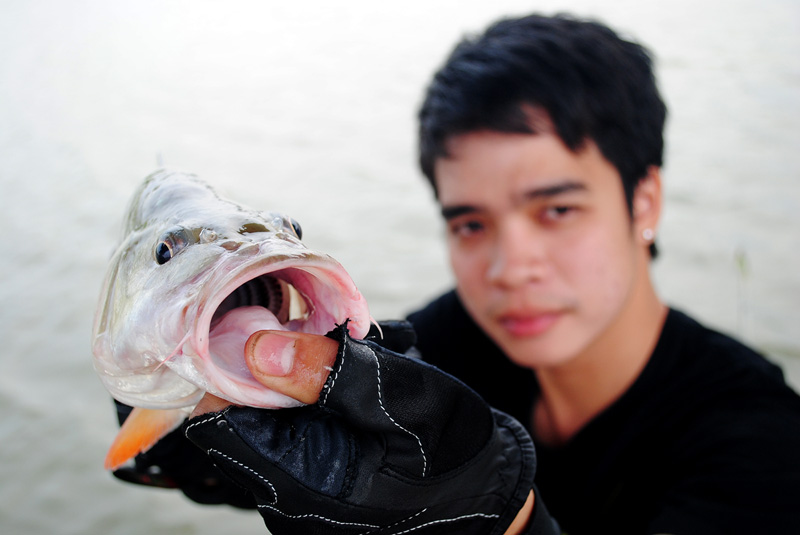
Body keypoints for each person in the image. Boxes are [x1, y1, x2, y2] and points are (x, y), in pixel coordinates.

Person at [114, 13, 800, 535]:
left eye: (557, 209)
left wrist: (495, 513)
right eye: (470, 223)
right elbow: (235, 472)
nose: (510, 267)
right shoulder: (451, 341)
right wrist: (173, 383)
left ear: (643, 200)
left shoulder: (761, 442)